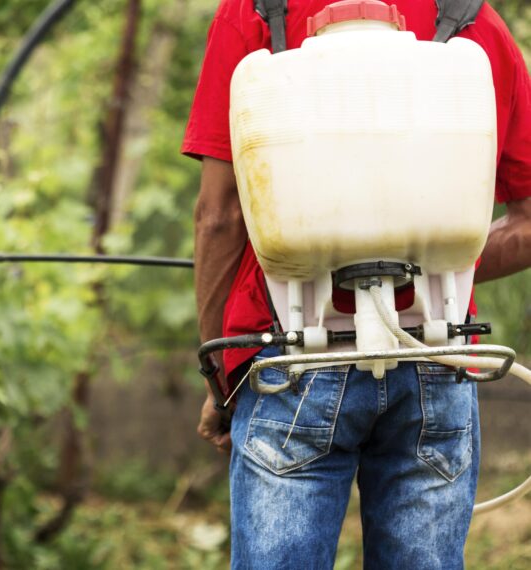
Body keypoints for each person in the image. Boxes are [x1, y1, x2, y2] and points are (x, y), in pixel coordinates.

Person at [182, 0, 531, 567]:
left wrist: (218, 374)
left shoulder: (256, 13)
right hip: (435, 356)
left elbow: (219, 217)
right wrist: (422, 265)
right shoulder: (469, 16)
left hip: (289, 359)